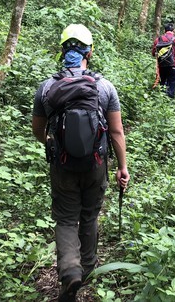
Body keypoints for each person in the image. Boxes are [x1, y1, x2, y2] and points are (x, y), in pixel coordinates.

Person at [32, 24, 130, 302]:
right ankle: (86, 269)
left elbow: (38, 129)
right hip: (96, 164)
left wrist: (51, 144)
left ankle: (70, 271)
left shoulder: (47, 87)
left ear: (63, 51)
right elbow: (116, 132)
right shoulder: (104, 87)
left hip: (62, 165)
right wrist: (122, 167)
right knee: (89, 216)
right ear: (90, 51)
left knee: (65, 219)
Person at [151, 22, 175, 98]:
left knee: (162, 83)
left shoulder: (158, 40)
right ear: (173, 30)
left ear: (164, 30)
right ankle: (169, 102)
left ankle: (162, 101)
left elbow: (153, 53)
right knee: (172, 85)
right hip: (173, 65)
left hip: (161, 66)